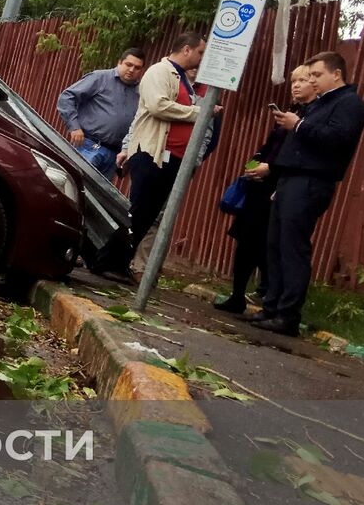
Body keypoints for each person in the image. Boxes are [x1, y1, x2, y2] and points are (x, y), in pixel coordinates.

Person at [245, 52, 364, 335]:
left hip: (312, 180)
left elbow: (338, 139)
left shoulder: (349, 103)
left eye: (316, 76)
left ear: (335, 74)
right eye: (309, 76)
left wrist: (298, 124)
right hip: (290, 178)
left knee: (292, 246)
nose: (312, 81)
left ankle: (288, 314)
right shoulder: (320, 103)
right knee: (274, 243)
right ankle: (272, 306)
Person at [88, 32, 211, 282]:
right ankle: (105, 261)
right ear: (186, 50)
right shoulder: (160, 72)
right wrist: (198, 112)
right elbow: (158, 105)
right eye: (199, 52)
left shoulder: (182, 78)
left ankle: (120, 261)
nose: (201, 57)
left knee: (148, 214)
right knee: (138, 211)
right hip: (152, 153)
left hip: (173, 157)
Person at [213, 65, 313, 316]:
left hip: (278, 185)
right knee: (246, 240)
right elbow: (267, 145)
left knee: (265, 243)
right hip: (258, 184)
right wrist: (251, 167)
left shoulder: (308, 118)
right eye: (293, 80)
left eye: (302, 80)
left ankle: (269, 294)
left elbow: (296, 156)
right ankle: (237, 296)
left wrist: (272, 170)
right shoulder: (289, 113)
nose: (296, 85)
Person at [57, 49, 146, 178]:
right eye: (128, 64)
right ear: (119, 62)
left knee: (95, 197)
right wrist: (74, 127)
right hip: (88, 146)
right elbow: (67, 97)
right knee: (76, 185)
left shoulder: (140, 92)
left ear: (141, 71)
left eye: (137, 67)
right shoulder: (100, 78)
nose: (131, 70)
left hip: (114, 155)